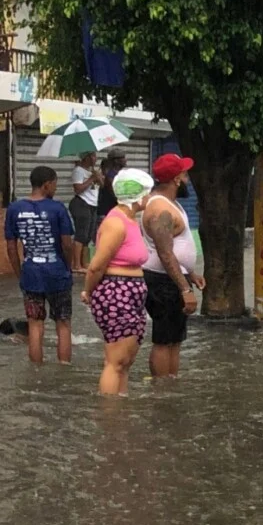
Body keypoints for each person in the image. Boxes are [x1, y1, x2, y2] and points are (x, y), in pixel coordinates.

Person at [82, 169, 153, 396]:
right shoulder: (116, 222)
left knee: (126, 360)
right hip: (115, 292)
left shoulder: (130, 220)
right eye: (147, 193)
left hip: (130, 293)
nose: (149, 198)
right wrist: (87, 291)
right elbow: (96, 266)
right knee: (116, 360)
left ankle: (120, 408)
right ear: (138, 196)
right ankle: (110, 416)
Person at [141, 153, 204, 379]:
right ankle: (161, 391)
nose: (187, 179)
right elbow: (165, 254)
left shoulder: (169, 204)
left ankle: (171, 387)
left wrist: (191, 273)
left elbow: (174, 248)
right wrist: (185, 289)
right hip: (163, 282)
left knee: (175, 339)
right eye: (185, 174)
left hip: (172, 279)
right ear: (177, 178)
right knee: (164, 340)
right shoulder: (161, 210)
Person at [4, 166, 75, 363]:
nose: (55, 188)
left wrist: (21, 273)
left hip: (31, 274)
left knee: (35, 325)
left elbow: (11, 247)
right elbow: (67, 244)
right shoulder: (58, 208)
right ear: (46, 185)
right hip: (57, 274)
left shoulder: (14, 209)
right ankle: (64, 369)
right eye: (55, 184)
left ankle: (36, 370)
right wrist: (67, 268)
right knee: (63, 324)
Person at [69, 151, 103, 272]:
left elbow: (102, 186)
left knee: (88, 235)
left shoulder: (91, 171)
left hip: (93, 204)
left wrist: (98, 178)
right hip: (82, 203)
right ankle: (76, 264)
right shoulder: (78, 170)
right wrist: (91, 179)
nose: (95, 158)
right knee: (81, 234)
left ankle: (84, 262)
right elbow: (78, 189)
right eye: (93, 155)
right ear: (86, 157)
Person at [95, 148, 127, 216]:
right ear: (116, 161)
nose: (125, 160)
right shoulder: (110, 176)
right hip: (108, 213)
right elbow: (117, 195)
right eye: (123, 157)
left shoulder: (118, 174)